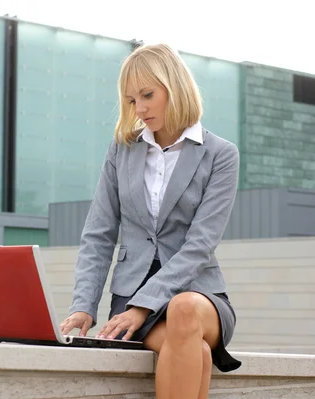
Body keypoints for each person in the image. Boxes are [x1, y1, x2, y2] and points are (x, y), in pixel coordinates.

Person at [59, 43, 242, 399]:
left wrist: (145, 305)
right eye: (131, 101)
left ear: (174, 87)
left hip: (199, 296)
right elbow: (98, 235)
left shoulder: (220, 155)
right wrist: (83, 305)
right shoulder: (121, 150)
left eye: (147, 95)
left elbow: (200, 245)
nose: (140, 109)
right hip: (128, 300)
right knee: (196, 352)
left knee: (184, 309)